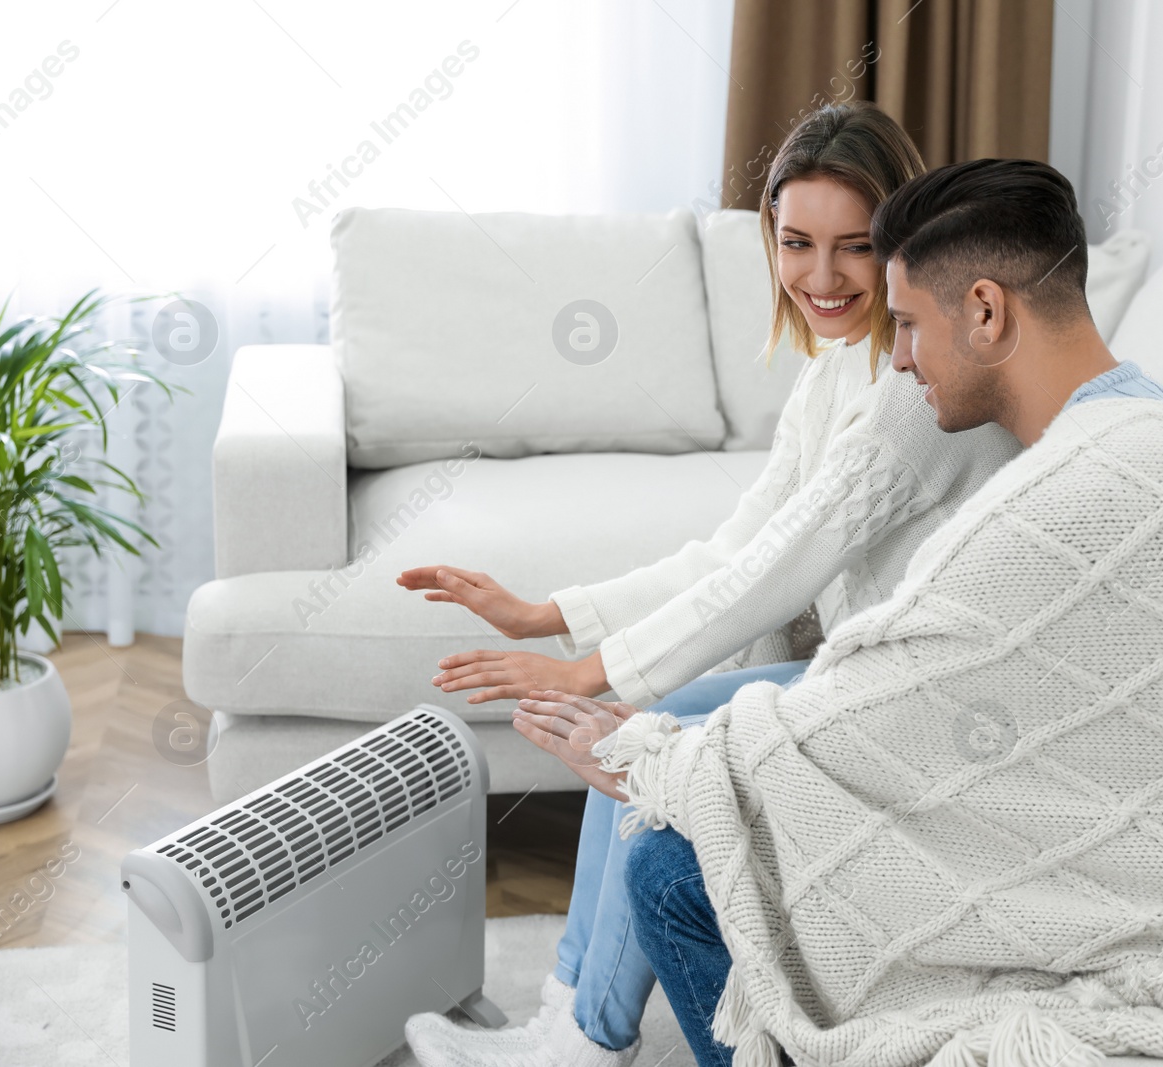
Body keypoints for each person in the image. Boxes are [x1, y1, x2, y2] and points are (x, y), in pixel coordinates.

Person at [506, 158, 1163, 1067]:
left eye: (908, 324)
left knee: (671, 866)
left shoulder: (1066, 497)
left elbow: (868, 715)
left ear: (986, 311)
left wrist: (660, 758)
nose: (900, 356)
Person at [400, 103, 1024, 1067]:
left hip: (918, 698)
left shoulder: (916, 386)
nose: (821, 277)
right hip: (858, 674)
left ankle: (580, 1041)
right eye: (796, 243)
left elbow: (779, 573)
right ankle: (570, 1024)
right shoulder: (834, 374)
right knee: (644, 719)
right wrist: (547, 615)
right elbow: (740, 545)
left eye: (855, 247)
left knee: (651, 729)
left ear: (903, 238)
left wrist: (592, 673)